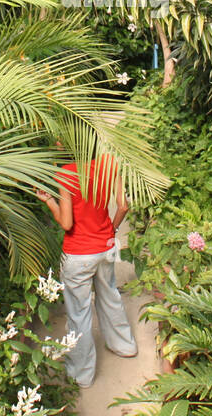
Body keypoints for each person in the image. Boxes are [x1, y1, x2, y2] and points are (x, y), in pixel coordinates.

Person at [36, 150, 138, 388]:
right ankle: (124, 345)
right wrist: (110, 231)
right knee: (109, 295)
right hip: (104, 249)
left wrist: (50, 202)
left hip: (78, 254)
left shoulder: (66, 173)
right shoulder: (109, 162)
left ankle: (81, 374)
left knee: (79, 313)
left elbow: (67, 223)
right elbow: (123, 206)